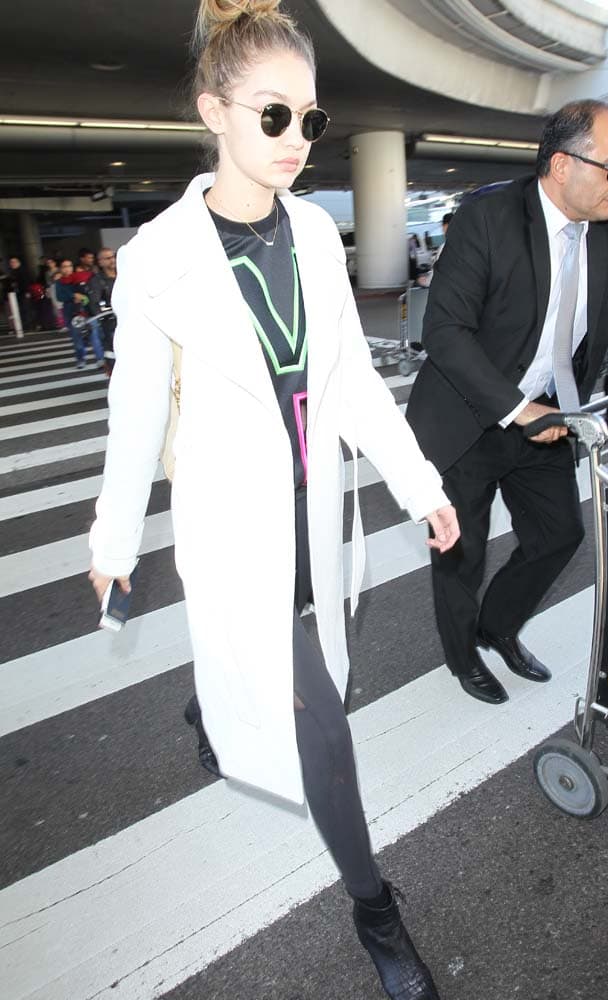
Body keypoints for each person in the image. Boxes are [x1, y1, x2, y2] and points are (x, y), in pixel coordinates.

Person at [87, 3, 459, 998]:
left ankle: (213, 703)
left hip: (313, 516)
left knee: (283, 673)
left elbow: (352, 383)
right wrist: (115, 541)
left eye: (310, 119)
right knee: (320, 722)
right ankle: (376, 909)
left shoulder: (314, 232)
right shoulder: (158, 258)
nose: (297, 140)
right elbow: (135, 415)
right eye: (272, 115)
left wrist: (417, 483)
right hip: (232, 531)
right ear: (214, 110)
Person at [406, 99, 608, 707]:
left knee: (559, 534)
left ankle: (496, 627)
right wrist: (517, 409)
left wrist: (535, 412)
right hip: (466, 416)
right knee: (461, 554)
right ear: (563, 166)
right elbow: (445, 332)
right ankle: (463, 657)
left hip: (548, 415)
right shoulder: (488, 218)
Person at [55, 258, 105, 369]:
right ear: (60, 269)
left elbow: (90, 290)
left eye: (69, 266)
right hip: (72, 312)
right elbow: (60, 297)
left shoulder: (80, 277)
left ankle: (100, 359)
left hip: (88, 310)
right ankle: (81, 359)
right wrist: (73, 296)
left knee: (94, 335)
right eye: (64, 267)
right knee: (77, 337)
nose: (67, 269)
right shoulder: (60, 282)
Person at [86, 248, 117, 375]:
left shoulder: (125, 275)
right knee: (112, 352)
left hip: (132, 319)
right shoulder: (96, 281)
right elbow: (94, 303)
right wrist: (102, 314)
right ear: (100, 262)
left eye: (113, 256)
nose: (112, 260)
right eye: (108, 258)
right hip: (111, 322)